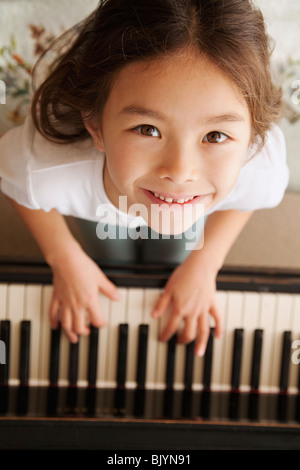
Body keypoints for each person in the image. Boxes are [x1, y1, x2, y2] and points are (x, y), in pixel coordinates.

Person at [0, 0, 289, 357]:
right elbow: (14, 178)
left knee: (172, 259)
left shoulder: (260, 167)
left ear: (250, 139)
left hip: (171, 200)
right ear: (96, 126)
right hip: (100, 204)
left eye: (215, 136)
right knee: (109, 256)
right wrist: (63, 256)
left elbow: (247, 198)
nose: (180, 172)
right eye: (147, 129)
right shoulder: (46, 171)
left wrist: (205, 263)